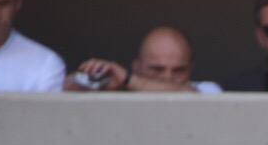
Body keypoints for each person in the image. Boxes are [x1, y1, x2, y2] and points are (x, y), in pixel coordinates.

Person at [70, 27, 222, 94]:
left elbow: (188, 95)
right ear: (137, 68)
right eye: (157, 69)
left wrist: (127, 79)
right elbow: (69, 86)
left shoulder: (208, 90)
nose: (167, 77)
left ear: (191, 69)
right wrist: (95, 75)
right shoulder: (121, 87)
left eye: (179, 70)